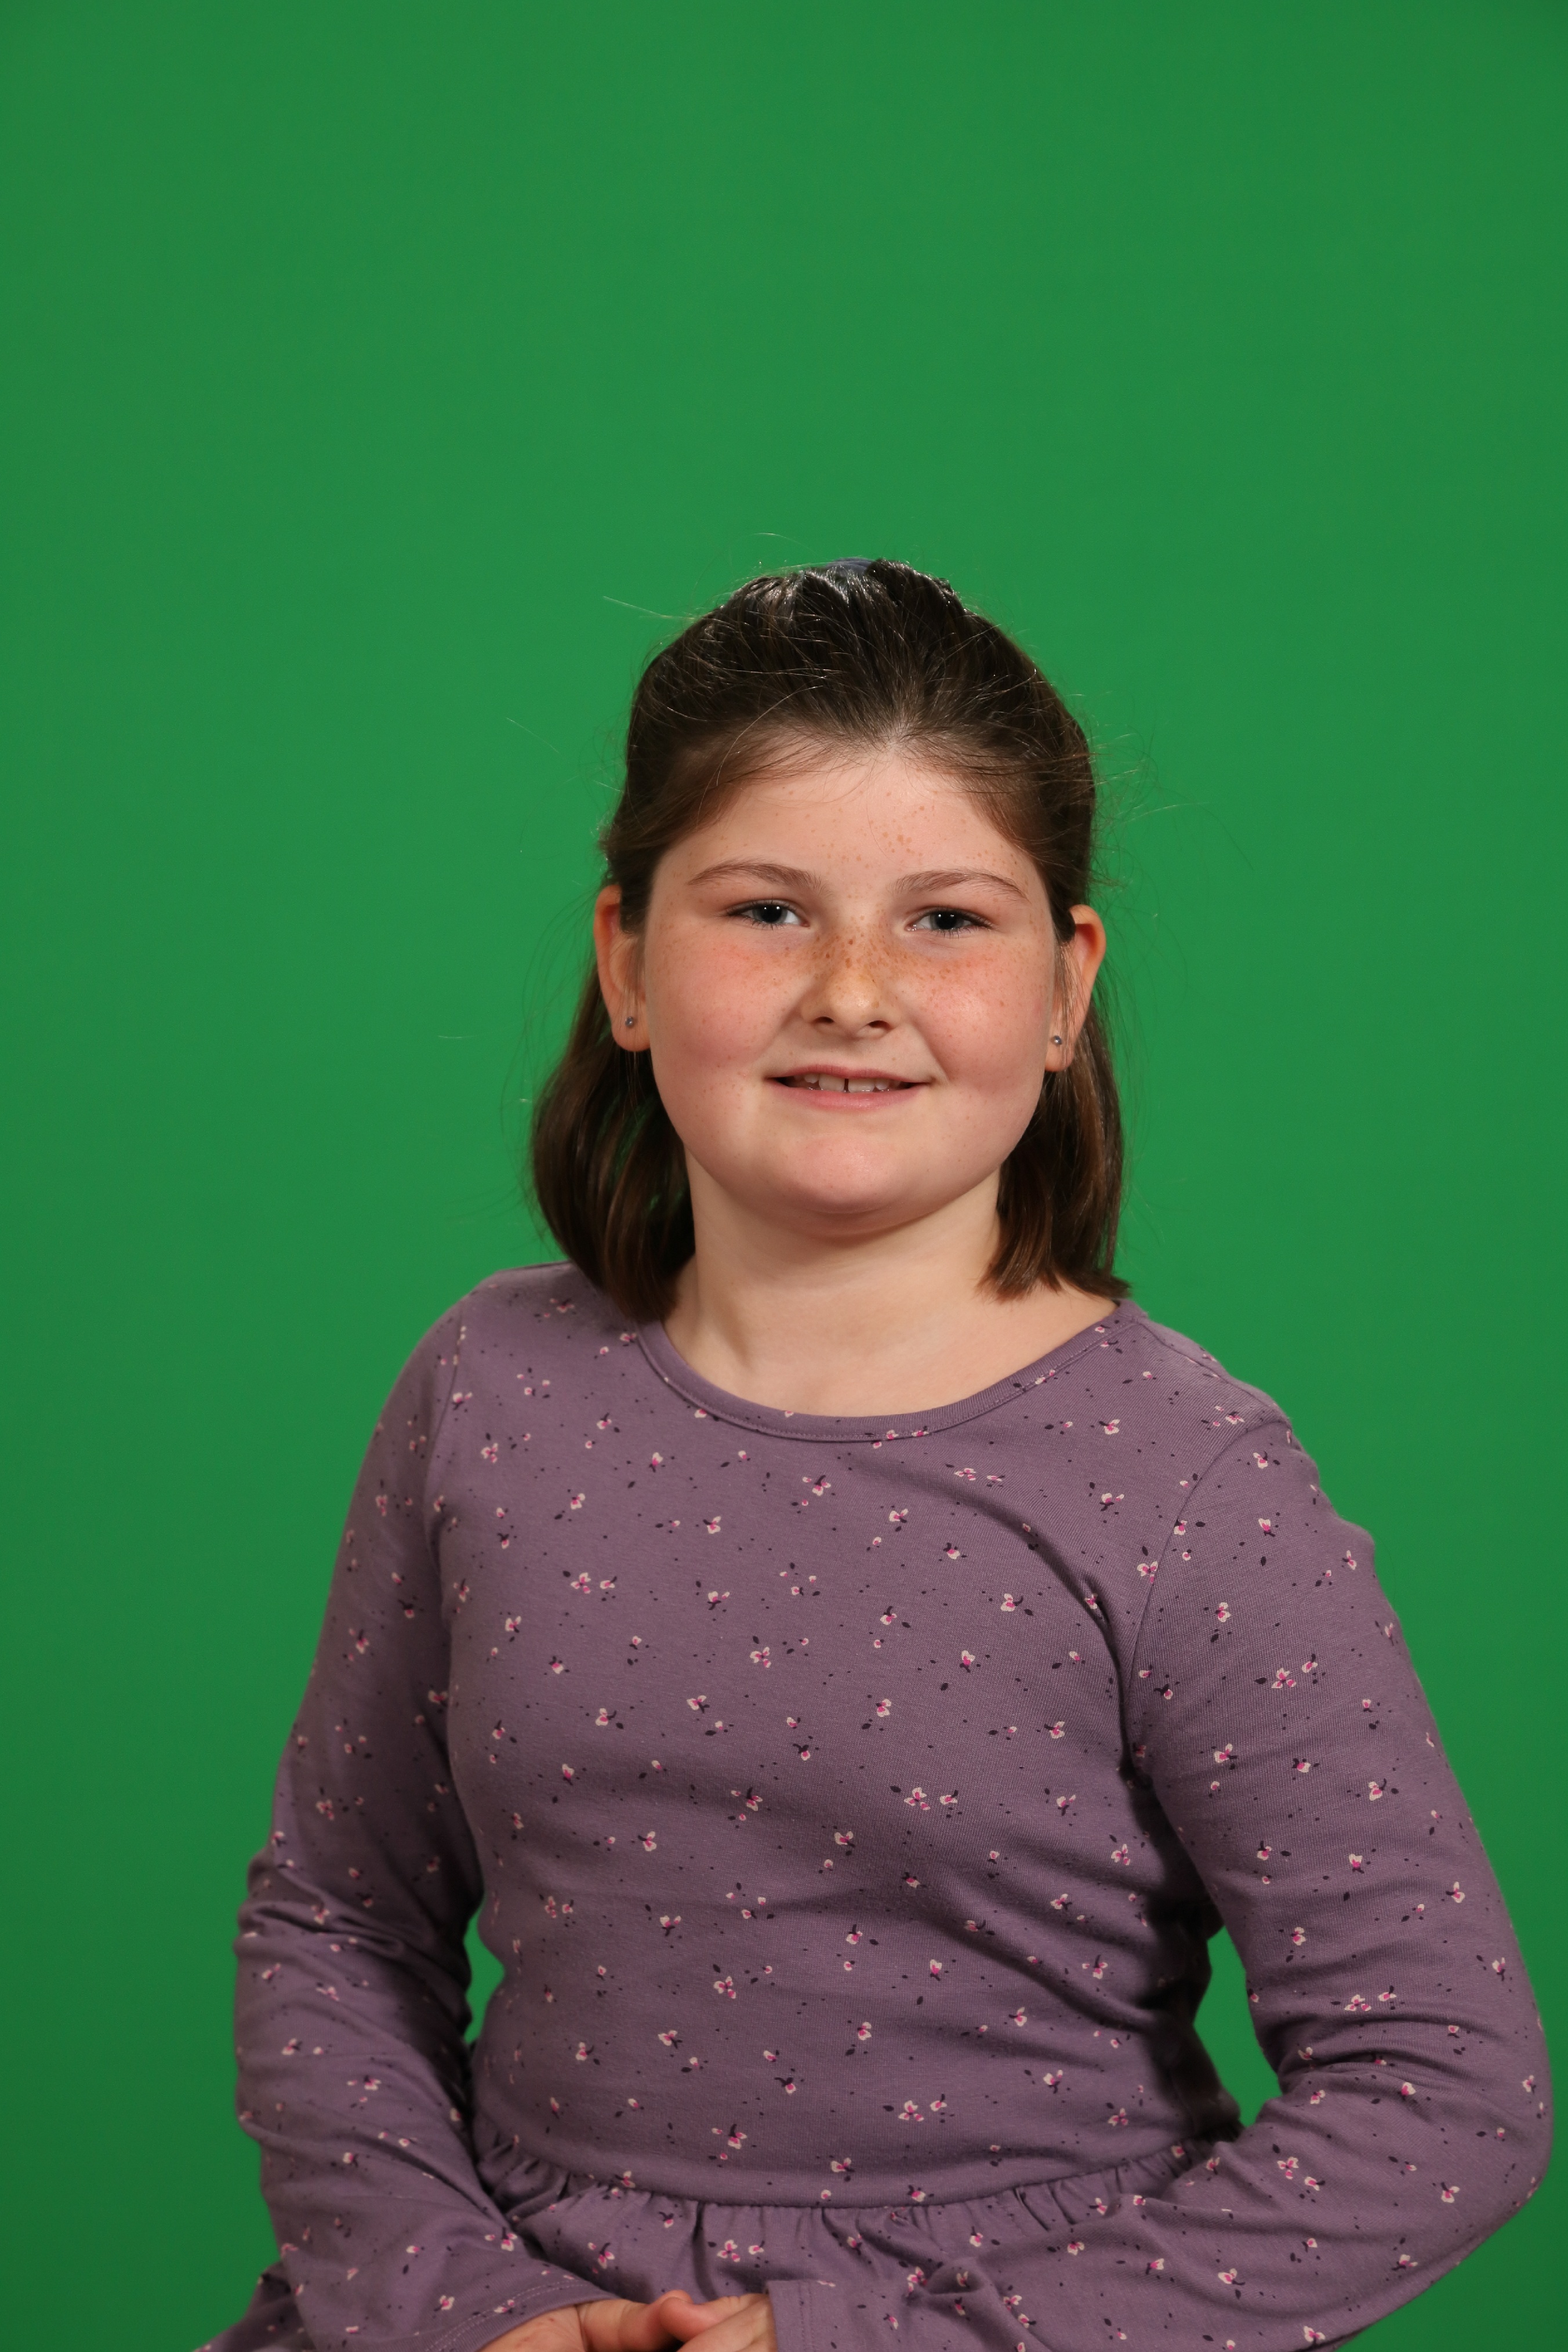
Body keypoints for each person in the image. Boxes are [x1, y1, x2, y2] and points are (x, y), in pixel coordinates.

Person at [205, 561, 1550, 2352]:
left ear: (1066, 991)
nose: (852, 991)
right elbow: (336, 1921)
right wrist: (466, 2305)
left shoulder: (1185, 1480)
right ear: (625, 960)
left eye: (946, 921)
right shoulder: (489, 1386)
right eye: (768, 910)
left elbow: (1446, 2087)